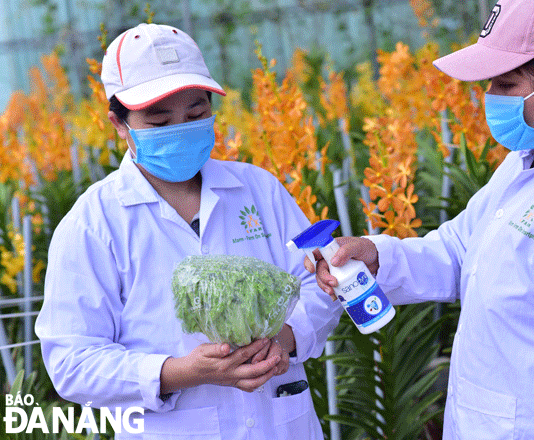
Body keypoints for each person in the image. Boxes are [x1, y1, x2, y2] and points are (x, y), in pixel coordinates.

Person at [310, 0, 534, 438]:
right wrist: (377, 256)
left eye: (506, 83)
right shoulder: (528, 161)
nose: (489, 97)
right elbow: (461, 248)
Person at [35, 23, 342, 440]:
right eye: (160, 122)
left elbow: (320, 282)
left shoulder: (259, 188)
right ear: (119, 124)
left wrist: (286, 338)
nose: (181, 128)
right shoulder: (94, 222)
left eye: (196, 114)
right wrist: (179, 373)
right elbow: (72, 362)